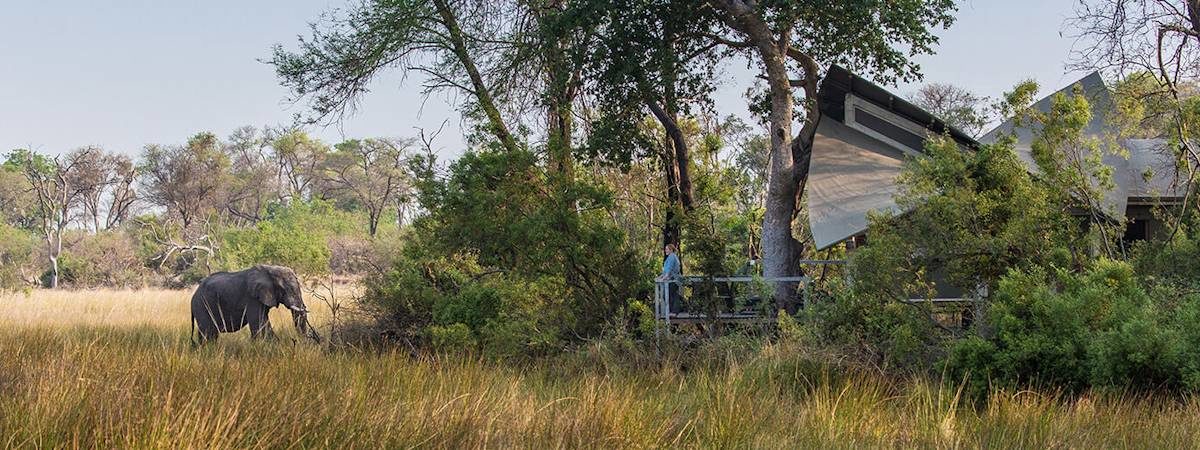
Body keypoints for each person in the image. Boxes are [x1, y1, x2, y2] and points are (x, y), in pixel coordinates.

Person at [656, 244, 682, 313]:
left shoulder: (672, 257)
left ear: (671, 250)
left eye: (667, 249)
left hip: (674, 280)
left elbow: (669, 270)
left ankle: (673, 312)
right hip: (671, 279)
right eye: (665, 249)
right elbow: (665, 271)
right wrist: (660, 277)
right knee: (671, 295)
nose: (665, 251)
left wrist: (664, 278)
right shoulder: (669, 257)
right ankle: (672, 311)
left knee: (668, 295)